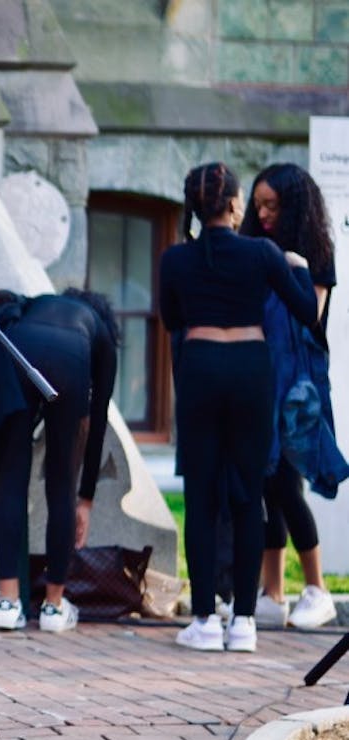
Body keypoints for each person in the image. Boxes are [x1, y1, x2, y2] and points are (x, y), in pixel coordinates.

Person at [160, 161, 319, 653]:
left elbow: (172, 319)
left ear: (194, 205)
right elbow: (307, 314)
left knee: (203, 497)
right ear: (234, 204)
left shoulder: (174, 259)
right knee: (251, 494)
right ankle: (245, 622)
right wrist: (297, 267)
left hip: (201, 367)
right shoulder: (262, 253)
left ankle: (206, 619)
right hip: (251, 369)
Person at [0, 288, 119, 634]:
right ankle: (53, 606)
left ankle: (7, 602)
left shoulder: (39, 305)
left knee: (10, 476)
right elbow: (95, 427)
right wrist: (86, 500)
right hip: (71, 361)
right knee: (61, 483)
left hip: (18, 351)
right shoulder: (100, 332)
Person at [238, 162, 342, 629]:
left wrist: (290, 267)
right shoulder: (253, 246)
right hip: (259, 374)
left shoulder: (315, 253)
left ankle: (316, 588)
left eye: (271, 205)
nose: (261, 213)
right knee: (267, 483)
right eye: (257, 204)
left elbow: (311, 316)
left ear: (293, 206)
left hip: (297, 382)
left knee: (286, 481)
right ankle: (273, 591)